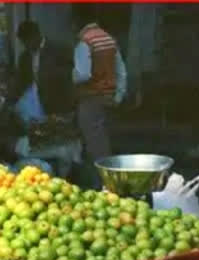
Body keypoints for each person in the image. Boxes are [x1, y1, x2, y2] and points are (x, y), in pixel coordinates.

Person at [71, 4, 127, 190]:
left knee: (94, 145)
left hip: (90, 99)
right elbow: (121, 71)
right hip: (108, 99)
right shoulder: (109, 39)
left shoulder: (84, 41)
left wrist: (69, 75)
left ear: (77, 19)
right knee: (105, 142)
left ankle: (103, 187)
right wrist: (118, 96)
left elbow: (82, 74)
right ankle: (111, 183)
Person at [14, 20, 74, 123]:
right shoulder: (24, 58)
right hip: (35, 108)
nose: (26, 46)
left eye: (28, 41)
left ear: (36, 35)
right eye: (23, 43)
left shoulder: (59, 50)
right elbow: (21, 82)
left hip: (59, 105)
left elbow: (70, 76)